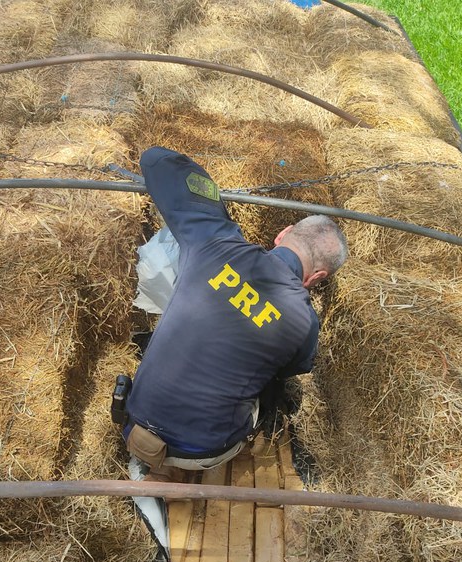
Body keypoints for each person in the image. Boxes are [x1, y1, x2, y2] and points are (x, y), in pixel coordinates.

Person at [123, 146, 348, 482]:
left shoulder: (214, 243)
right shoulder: (304, 323)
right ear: (317, 279)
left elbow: (155, 160)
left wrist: (214, 206)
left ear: (282, 233)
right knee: (272, 386)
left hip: (132, 421)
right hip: (201, 451)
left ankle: (145, 464)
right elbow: (293, 368)